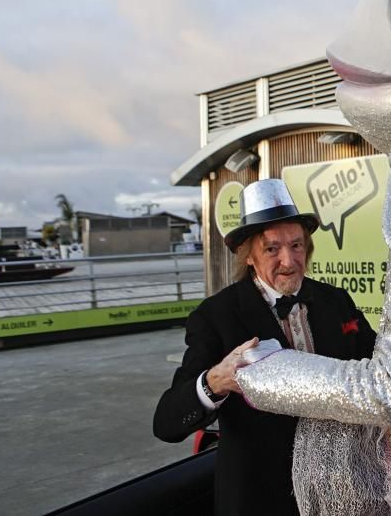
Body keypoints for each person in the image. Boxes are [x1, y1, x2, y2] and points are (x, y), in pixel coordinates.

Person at [153, 178, 376, 516]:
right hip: (262, 498)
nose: (288, 261)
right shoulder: (216, 316)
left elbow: (375, 363)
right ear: (251, 257)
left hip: (343, 492)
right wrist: (216, 381)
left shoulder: (336, 301)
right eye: (272, 249)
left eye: (297, 246)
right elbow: (166, 422)